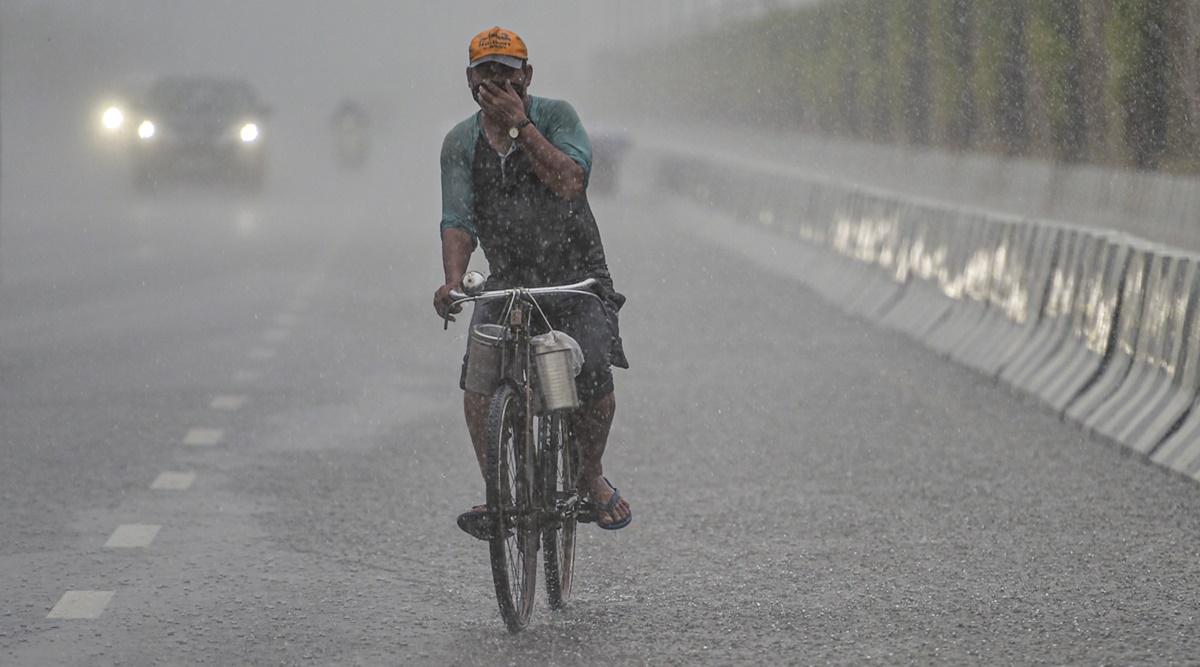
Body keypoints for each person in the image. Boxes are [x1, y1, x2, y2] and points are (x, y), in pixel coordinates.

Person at [433, 26, 632, 536]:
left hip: (575, 275)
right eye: (485, 71)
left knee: (592, 376)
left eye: (506, 70)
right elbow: (458, 219)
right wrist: (453, 280)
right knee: (479, 376)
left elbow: (570, 181)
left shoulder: (556, 116)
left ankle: (589, 477)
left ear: (527, 75)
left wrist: (521, 127)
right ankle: (497, 493)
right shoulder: (460, 141)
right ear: (469, 79)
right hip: (509, 278)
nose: (496, 79)